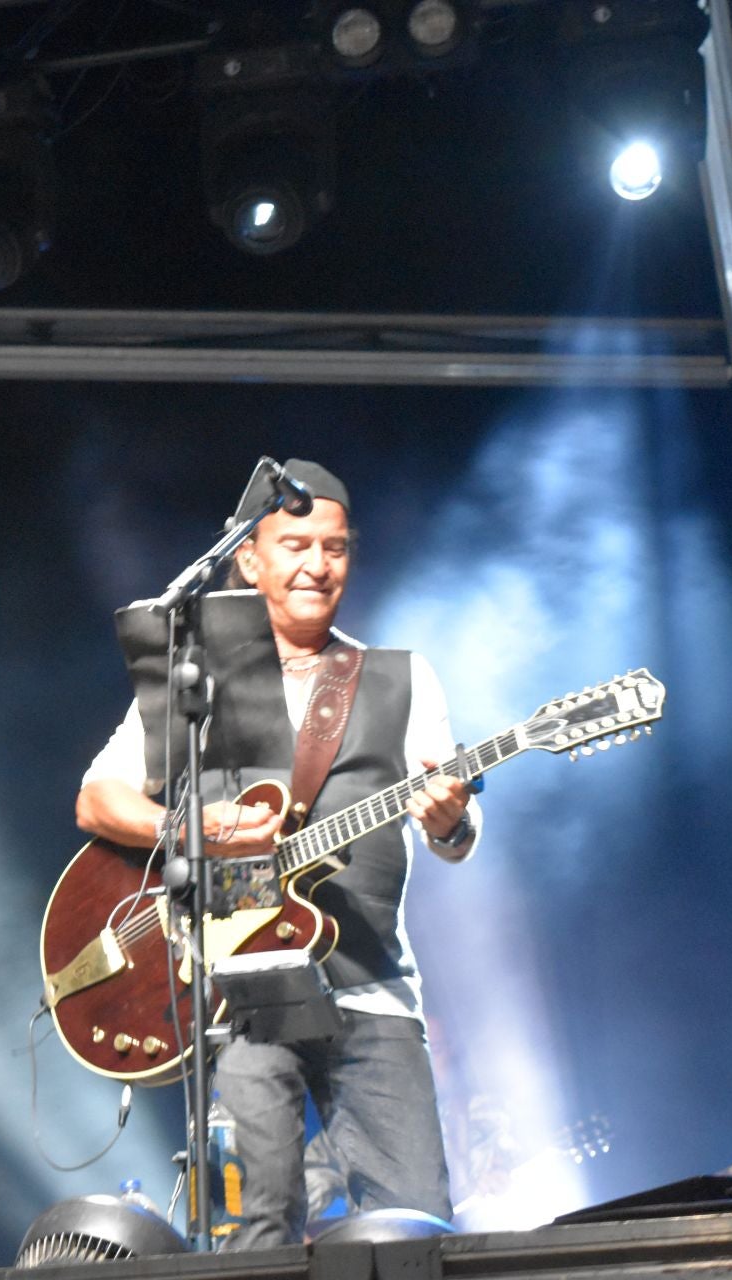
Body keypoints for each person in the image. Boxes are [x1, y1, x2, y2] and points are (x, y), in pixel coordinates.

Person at [74, 459, 479, 1245]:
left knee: (416, 1222)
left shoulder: (401, 678)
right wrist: (204, 830)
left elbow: (455, 843)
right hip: (244, 994)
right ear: (248, 561)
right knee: (255, 1227)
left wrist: (448, 820)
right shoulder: (195, 683)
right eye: (295, 545)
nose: (316, 565)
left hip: (373, 988)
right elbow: (98, 799)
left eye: (334, 548)